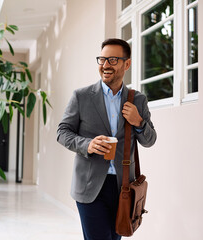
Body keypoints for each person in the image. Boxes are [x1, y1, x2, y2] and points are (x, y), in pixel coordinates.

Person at [57, 38, 157, 240]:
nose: (105, 65)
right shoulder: (82, 96)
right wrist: (88, 144)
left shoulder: (137, 100)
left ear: (126, 64)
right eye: (101, 60)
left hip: (123, 188)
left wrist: (138, 121)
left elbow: (150, 140)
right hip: (89, 185)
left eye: (112, 60)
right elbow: (63, 132)